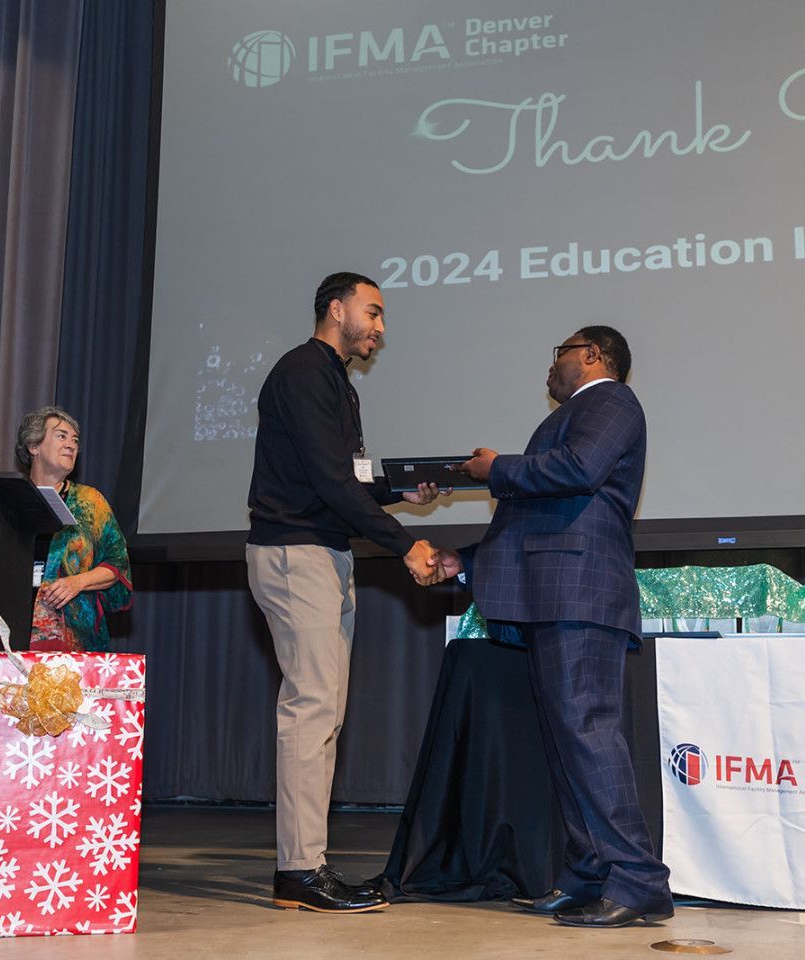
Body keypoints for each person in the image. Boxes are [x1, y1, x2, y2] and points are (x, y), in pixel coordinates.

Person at [436, 326, 673, 928]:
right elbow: (531, 519)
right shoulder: (573, 413)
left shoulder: (612, 400)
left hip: (579, 596)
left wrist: (497, 468)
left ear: (592, 355)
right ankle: (589, 874)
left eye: (559, 351)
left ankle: (639, 881)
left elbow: (578, 468)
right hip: (552, 596)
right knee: (569, 745)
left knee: (589, 736)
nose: (552, 364)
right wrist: (465, 561)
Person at [247, 271, 447, 914]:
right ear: (336, 309)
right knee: (311, 711)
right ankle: (300, 871)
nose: (381, 327)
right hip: (295, 553)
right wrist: (404, 543)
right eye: (374, 313)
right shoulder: (304, 372)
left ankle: (306, 865)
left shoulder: (336, 381)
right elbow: (330, 483)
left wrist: (398, 492)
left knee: (323, 713)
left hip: (323, 553)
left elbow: (347, 479)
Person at [15, 406, 132, 652]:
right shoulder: (10, 498)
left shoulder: (90, 502)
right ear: (33, 446)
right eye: (61, 436)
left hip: (73, 640)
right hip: (8, 630)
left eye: (75, 440)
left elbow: (117, 564)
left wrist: (77, 582)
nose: (71, 445)